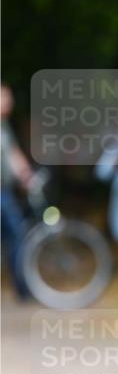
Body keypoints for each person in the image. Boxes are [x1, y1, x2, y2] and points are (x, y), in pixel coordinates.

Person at [1, 83, 33, 299]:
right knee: (16, 234)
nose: (9, 103)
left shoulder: (4, 126)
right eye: (5, 98)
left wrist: (25, 174)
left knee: (16, 236)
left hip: (4, 190)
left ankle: (22, 288)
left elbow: (13, 154)